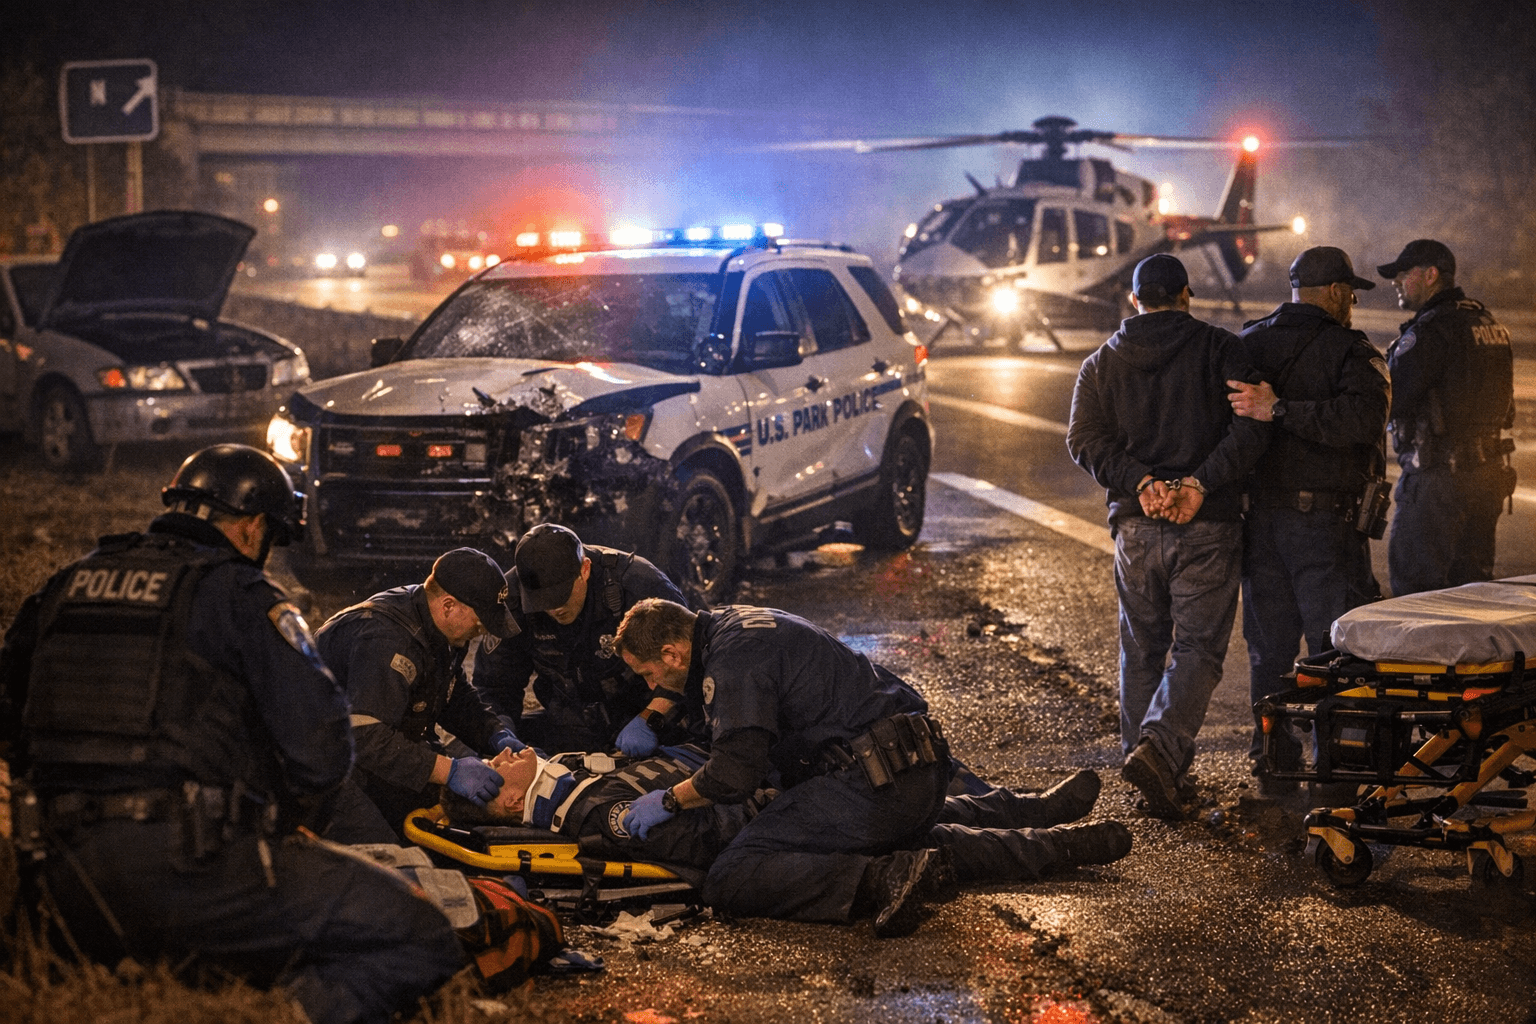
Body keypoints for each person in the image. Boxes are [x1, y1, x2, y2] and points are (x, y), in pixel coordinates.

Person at [0, 444, 462, 1024]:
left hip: (59, 885)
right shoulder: (244, 598)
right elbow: (322, 757)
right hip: (192, 872)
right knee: (421, 935)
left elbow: (10, 724)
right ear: (250, 528)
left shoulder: (66, 584)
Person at [609, 599, 1132, 938]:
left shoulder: (731, 663)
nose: (655, 687)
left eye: (651, 673)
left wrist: (670, 799)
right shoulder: (738, 623)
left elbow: (734, 773)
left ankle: (884, 879)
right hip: (919, 766)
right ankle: (1047, 823)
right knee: (913, 825)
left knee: (732, 875)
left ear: (674, 653)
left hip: (873, 781)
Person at [1067, 254, 1269, 819]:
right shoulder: (1222, 349)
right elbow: (1252, 425)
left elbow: (1083, 439)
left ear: (1134, 300)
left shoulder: (1100, 363)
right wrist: (1200, 483)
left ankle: (1149, 767)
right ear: (1185, 295)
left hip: (1136, 525)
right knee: (1198, 650)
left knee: (1141, 649)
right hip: (1207, 525)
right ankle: (1159, 752)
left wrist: (1142, 482)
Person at [1224, 246, 1391, 794]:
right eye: (1352, 294)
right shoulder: (1351, 351)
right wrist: (1287, 411)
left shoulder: (1247, 343)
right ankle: (1335, 758)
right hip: (1322, 526)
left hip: (1260, 522)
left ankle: (1272, 757)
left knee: (1268, 648)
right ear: (1340, 293)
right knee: (1336, 645)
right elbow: (1363, 421)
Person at [316, 546, 524, 842]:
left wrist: (494, 734)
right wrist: (447, 770)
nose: (482, 631)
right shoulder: (387, 639)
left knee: (446, 829)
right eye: (480, 622)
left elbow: (452, 694)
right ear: (449, 605)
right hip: (322, 765)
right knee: (387, 856)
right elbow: (363, 737)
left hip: (368, 755)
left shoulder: (437, 624)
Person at [472, 523, 690, 756]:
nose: (555, 609)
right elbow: (494, 686)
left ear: (585, 569)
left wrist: (650, 718)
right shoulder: (512, 599)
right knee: (472, 748)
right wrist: (502, 735)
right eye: (542, 601)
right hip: (566, 722)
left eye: (561, 596)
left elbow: (685, 664)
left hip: (641, 720)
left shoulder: (640, 586)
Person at [1377, 239, 1515, 596]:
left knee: (1416, 595)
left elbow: (1389, 401)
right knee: (1471, 595)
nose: (1396, 282)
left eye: (1404, 274)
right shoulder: (1489, 325)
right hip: (1487, 477)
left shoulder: (1431, 332)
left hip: (1438, 481)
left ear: (1430, 275)